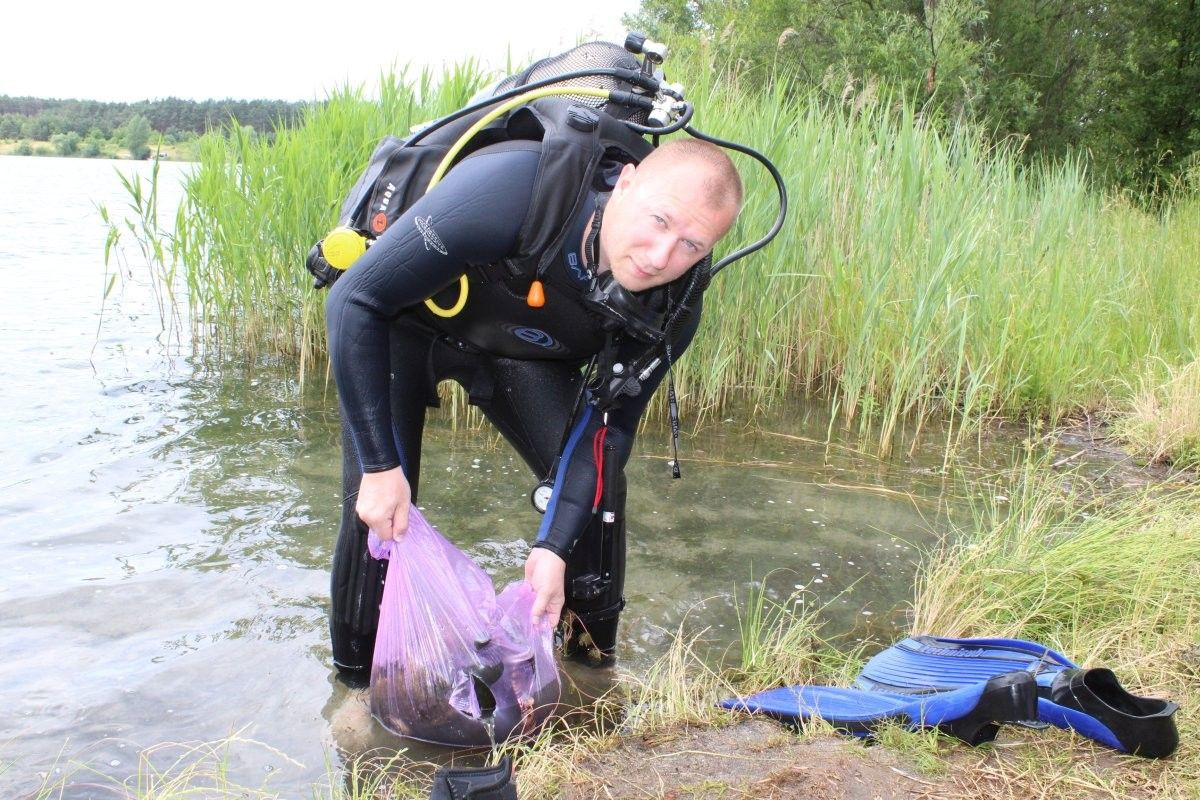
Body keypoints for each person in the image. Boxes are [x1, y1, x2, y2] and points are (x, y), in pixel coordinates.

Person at [325, 133, 743, 681]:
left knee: (594, 501)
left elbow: (608, 431)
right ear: (626, 182)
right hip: (409, 328)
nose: (661, 257)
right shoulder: (515, 191)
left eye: (692, 245)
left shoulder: (675, 304)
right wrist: (381, 468)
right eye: (659, 220)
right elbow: (354, 298)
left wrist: (553, 547)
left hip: (526, 358)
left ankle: (589, 671)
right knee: (377, 510)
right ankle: (355, 690)